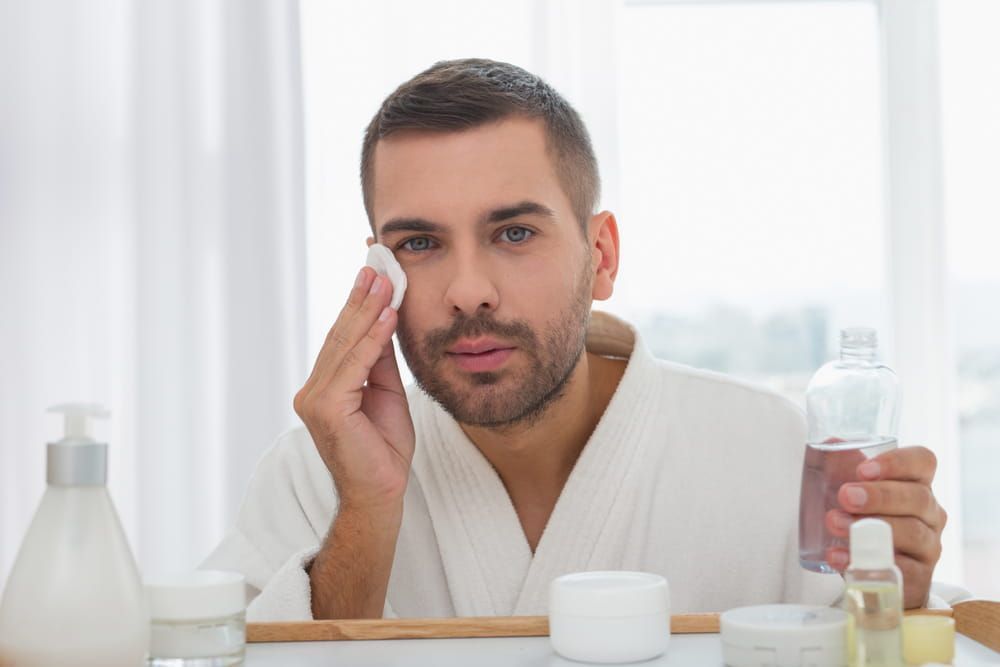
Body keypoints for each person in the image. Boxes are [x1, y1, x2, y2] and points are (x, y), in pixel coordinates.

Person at [203, 58, 947, 620]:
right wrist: (367, 510)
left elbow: (877, 637)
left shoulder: (776, 456)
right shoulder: (318, 471)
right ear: (378, 270)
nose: (468, 290)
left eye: (515, 231)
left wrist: (898, 605)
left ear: (603, 256)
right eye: (421, 243)